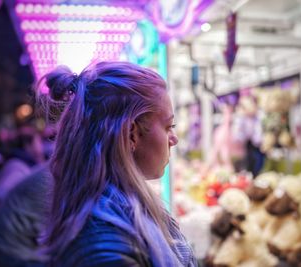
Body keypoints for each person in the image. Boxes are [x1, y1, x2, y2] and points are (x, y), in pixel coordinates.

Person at [38, 61, 197, 267]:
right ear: (131, 133)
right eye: (169, 126)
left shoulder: (116, 212)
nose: (174, 139)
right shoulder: (104, 240)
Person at [0, 164, 52, 267]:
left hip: (7, 243)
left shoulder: (50, 172)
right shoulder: (51, 181)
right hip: (12, 250)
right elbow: (46, 237)